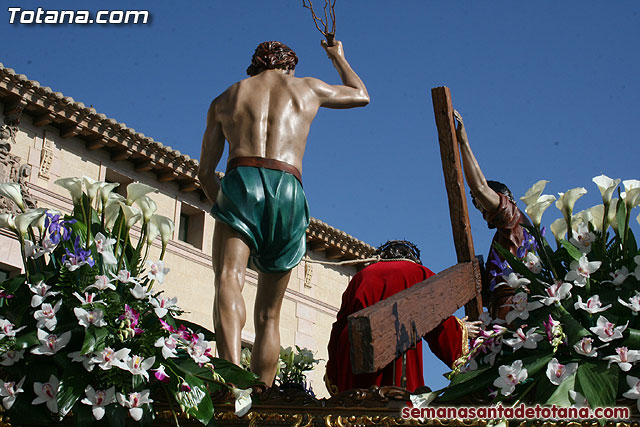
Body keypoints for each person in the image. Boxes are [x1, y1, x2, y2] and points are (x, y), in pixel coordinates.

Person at [197, 40, 369, 385]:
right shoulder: (307, 87)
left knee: (229, 281)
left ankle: (232, 383)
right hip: (289, 188)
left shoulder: (226, 99)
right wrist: (338, 57)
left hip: (241, 180)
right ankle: (263, 395)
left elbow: (203, 173)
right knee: (270, 314)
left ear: (255, 64)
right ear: (288, 66)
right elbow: (360, 94)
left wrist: (227, 207)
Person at [325, 240, 482, 394]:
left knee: (354, 410)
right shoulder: (419, 272)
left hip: (353, 350)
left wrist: (334, 372)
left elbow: (338, 327)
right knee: (396, 406)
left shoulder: (360, 276)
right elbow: (435, 315)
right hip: (397, 345)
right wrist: (459, 329)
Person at [454, 111, 531, 321]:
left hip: (514, 308)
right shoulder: (505, 234)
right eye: (480, 209)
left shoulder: (514, 221)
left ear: (505, 200)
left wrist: (463, 143)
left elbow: (479, 186)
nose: (484, 214)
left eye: (485, 206)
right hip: (503, 308)